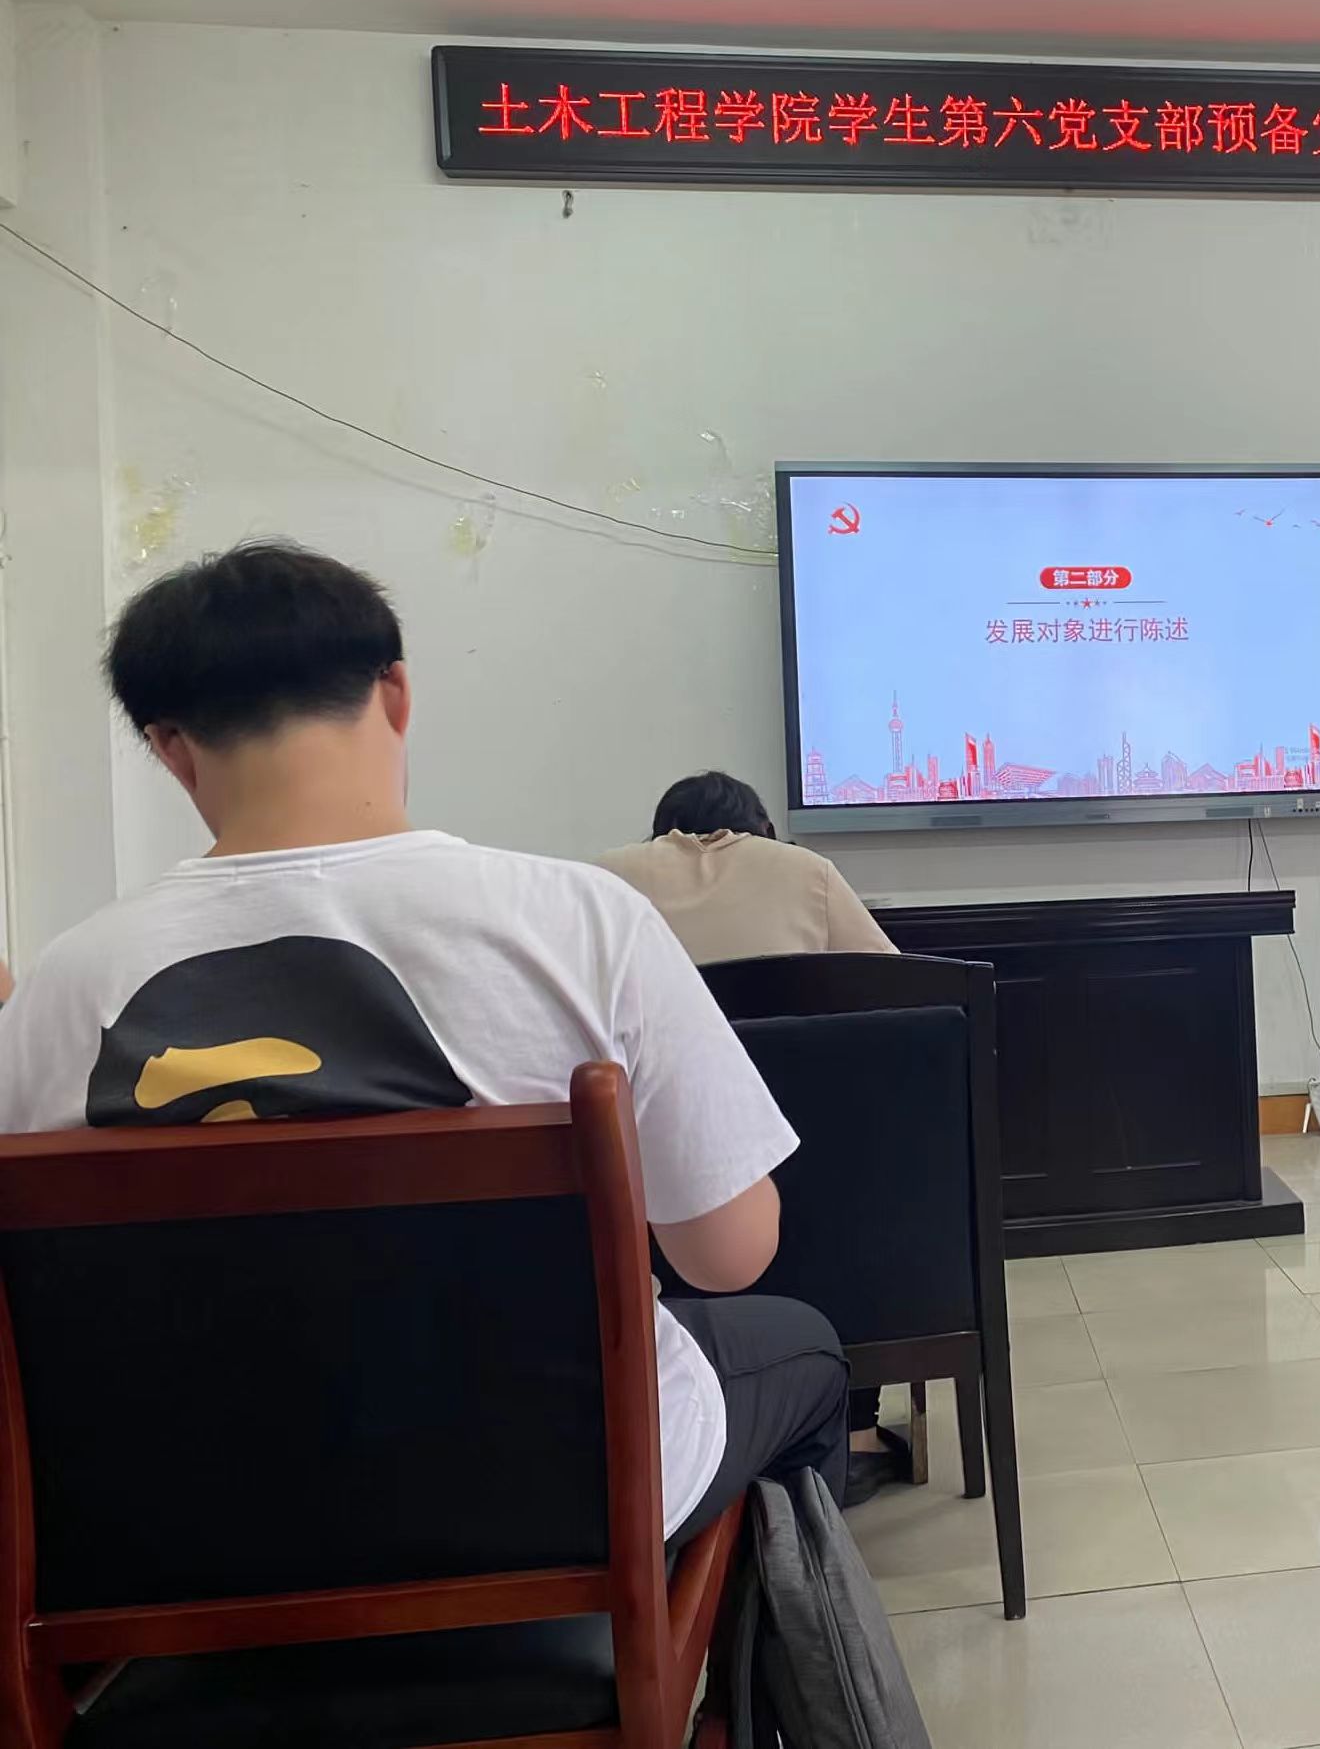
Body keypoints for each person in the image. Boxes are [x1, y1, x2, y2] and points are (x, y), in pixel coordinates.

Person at [0, 542, 848, 1547]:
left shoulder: (60, 989)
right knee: (802, 1353)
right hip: (556, 1495)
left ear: (170, 747)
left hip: (178, 1532)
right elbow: (728, 1254)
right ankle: (663, 1647)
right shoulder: (581, 922)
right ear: (396, 694)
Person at [599, 772, 907, 1504]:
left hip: (656, 1206)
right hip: (817, 1195)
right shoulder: (807, 874)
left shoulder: (606, 886)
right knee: (858, 1176)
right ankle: (857, 1427)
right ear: (760, 830)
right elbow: (905, 999)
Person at [597, 771, 894, 964]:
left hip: (649, 1047)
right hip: (781, 1043)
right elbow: (890, 980)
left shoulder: (608, 874)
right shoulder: (808, 869)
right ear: (766, 829)